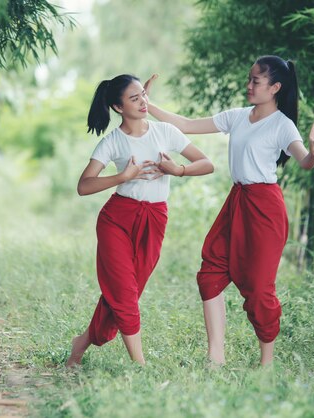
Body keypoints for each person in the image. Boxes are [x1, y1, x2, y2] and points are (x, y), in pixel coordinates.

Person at [143, 55, 314, 366]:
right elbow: (187, 124)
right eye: (249, 79)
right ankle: (216, 357)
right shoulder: (238, 116)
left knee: (258, 287)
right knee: (210, 272)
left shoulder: (283, 125)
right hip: (237, 201)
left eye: (256, 81)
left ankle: (266, 364)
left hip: (265, 208)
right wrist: (148, 104)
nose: (249, 85)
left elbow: (305, 162)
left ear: (275, 87)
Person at [66, 74, 214, 367]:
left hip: (154, 219)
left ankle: (82, 341)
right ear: (119, 108)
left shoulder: (166, 132)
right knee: (124, 294)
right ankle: (140, 365)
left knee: (126, 293)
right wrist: (123, 176)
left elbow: (207, 163)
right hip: (117, 219)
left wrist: (177, 170)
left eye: (143, 95)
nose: (143, 102)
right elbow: (84, 186)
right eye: (134, 98)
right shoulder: (112, 142)